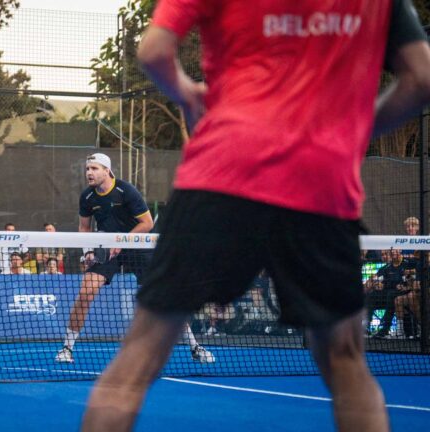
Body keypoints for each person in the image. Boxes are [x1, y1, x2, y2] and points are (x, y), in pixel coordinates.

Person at [82, 1, 430, 430]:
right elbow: (422, 76)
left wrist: (187, 92)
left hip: (220, 176)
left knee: (137, 358)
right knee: (347, 365)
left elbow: (153, 51)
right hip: (320, 187)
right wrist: (350, 129)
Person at [56, 153, 213, 364]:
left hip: (138, 244)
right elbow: (84, 228)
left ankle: (195, 346)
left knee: (164, 294)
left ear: (107, 171)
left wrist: (122, 241)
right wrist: (88, 252)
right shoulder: (87, 197)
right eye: (87, 169)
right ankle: (67, 348)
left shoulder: (126, 191)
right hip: (107, 247)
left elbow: (147, 223)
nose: (89, 173)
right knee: (86, 292)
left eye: (94, 168)